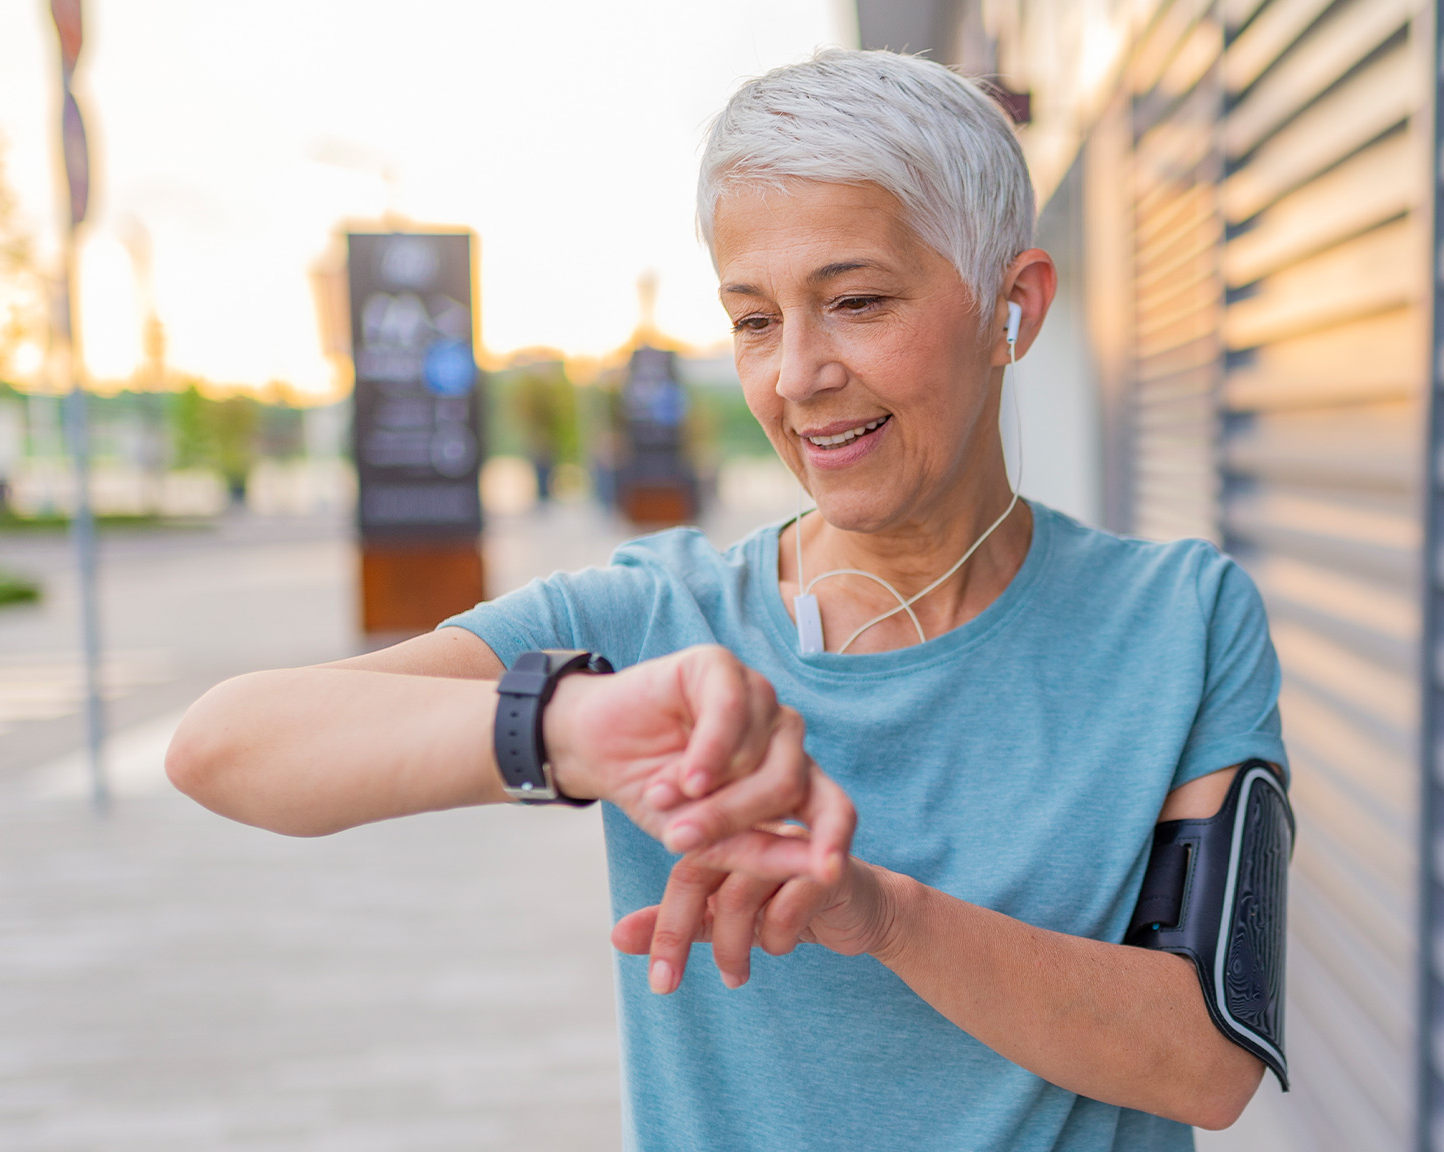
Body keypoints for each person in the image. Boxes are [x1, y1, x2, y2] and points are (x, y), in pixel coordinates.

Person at [168, 48, 1288, 1151]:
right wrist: (569, 728)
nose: (796, 374)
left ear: (1014, 307)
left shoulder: (1178, 620)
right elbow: (223, 748)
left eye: (854, 301)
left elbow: (1204, 1061)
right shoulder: (651, 620)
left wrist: (882, 915)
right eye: (753, 320)